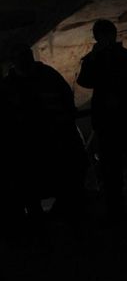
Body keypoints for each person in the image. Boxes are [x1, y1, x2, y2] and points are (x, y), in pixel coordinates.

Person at [0, 43, 87, 228]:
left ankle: (61, 219)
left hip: (53, 141)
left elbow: (65, 100)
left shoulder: (45, 77)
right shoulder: (12, 85)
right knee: (31, 189)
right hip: (28, 147)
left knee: (61, 183)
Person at [76, 19, 127, 221]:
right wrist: (93, 58)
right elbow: (84, 80)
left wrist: (121, 99)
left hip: (126, 121)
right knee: (113, 169)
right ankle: (119, 209)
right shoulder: (98, 59)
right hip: (111, 124)